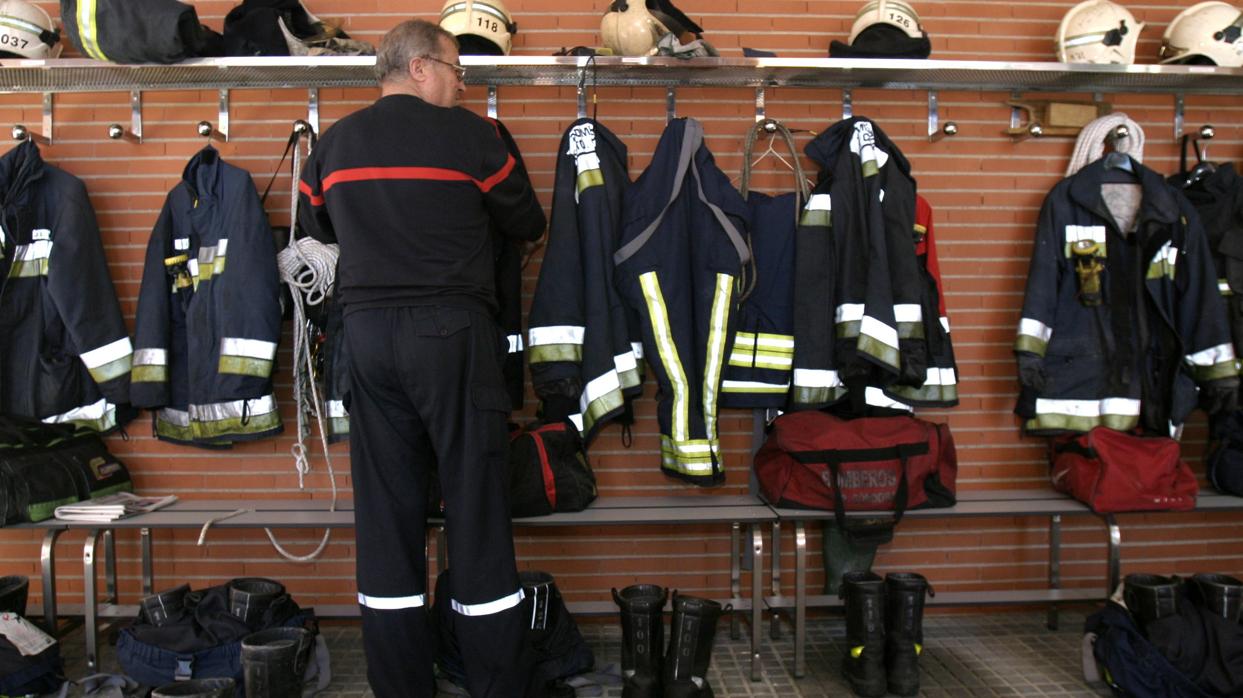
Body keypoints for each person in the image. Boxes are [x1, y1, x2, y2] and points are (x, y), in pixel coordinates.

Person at [297, 19, 546, 698]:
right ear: (419, 66)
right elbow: (528, 222)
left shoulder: (333, 144)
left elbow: (316, 230)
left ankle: (402, 686)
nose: (462, 84)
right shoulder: (474, 138)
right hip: (451, 334)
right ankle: (496, 684)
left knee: (385, 518)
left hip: (366, 338)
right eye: (457, 70)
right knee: (476, 510)